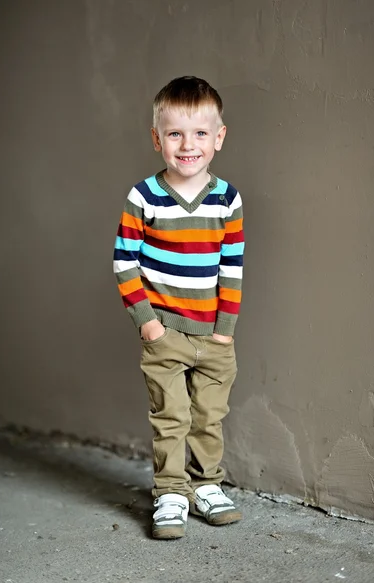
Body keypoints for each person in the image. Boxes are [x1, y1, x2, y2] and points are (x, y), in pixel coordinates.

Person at [113, 76, 244, 539]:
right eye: (175, 134)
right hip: (165, 331)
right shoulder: (144, 196)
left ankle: (207, 485)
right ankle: (170, 492)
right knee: (171, 416)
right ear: (157, 139)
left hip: (213, 334)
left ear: (219, 138)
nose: (188, 145)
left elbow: (232, 268)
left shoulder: (228, 199)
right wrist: (149, 325)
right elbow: (124, 263)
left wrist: (225, 331)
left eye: (200, 133)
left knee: (209, 415)